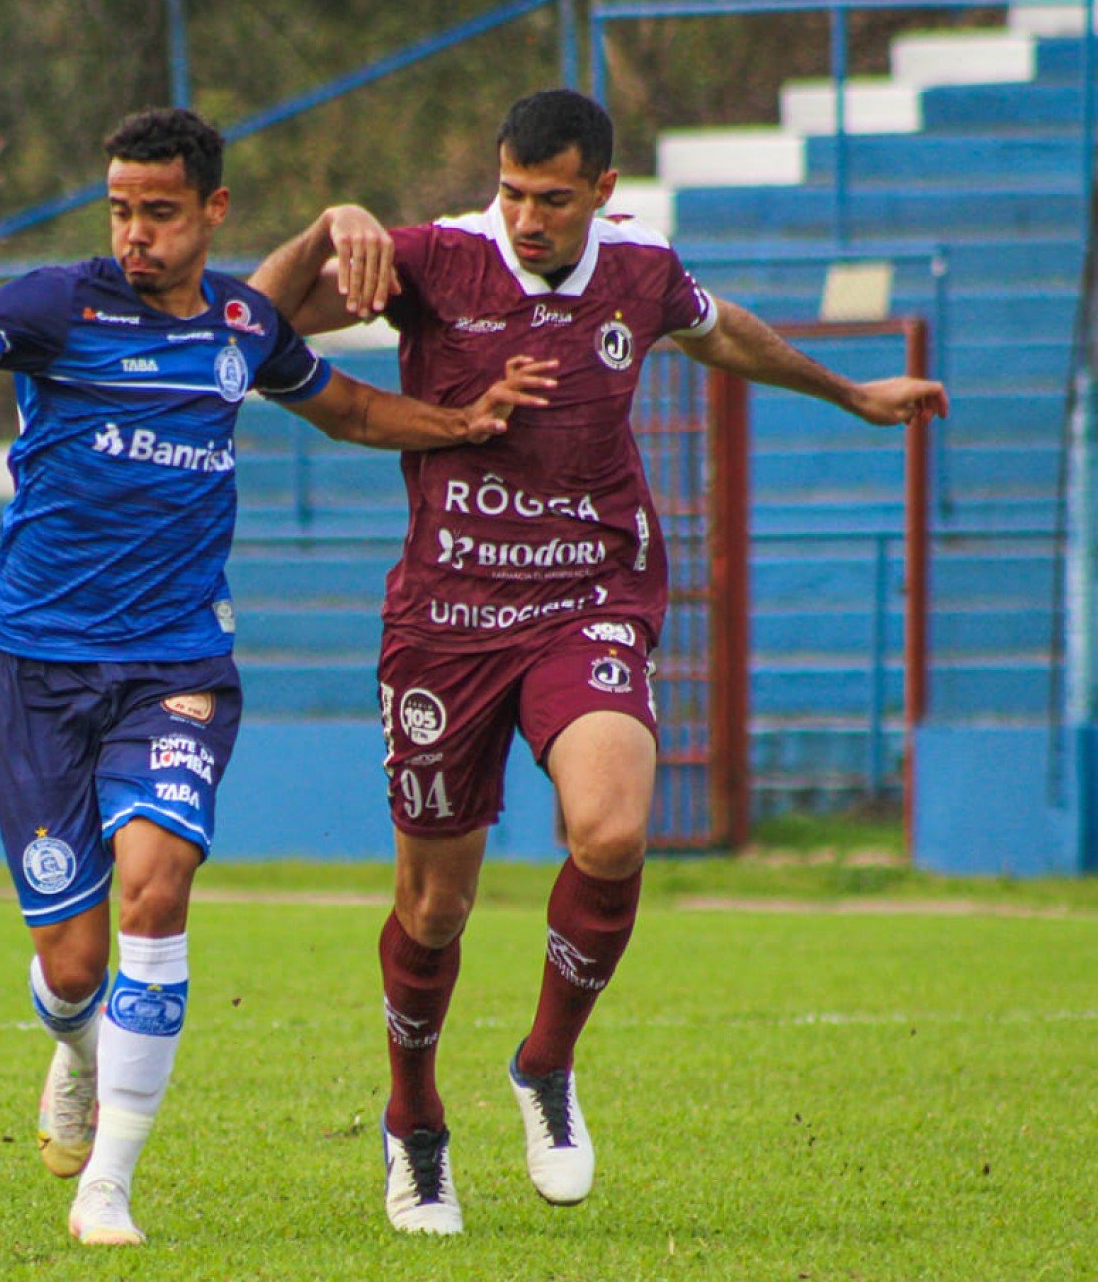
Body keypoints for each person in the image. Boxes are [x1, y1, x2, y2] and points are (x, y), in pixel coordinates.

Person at [0, 107, 555, 1245]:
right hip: (36, 669)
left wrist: (463, 423)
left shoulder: (239, 322)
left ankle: (105, 1185)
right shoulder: (52, 306)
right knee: (72, 966)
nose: (136, 235)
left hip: (176, 666)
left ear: (212, 212)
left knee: (157, 888)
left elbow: (351, 407)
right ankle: (76, 1047)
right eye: (121, 210)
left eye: (160, 213)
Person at [249, 88, 949, 1236]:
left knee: (615, 828)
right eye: (514, 192)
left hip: (590, 595)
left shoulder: (640, 269)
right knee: (434, 909)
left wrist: (850, 393)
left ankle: (544, 1064)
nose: (527, 217)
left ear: (601, 193)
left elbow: (721, 330)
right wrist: (332, 224)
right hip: (447, 619)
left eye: (553, 199)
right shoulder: (433, 260)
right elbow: (254, 317)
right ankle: (415, 1123)